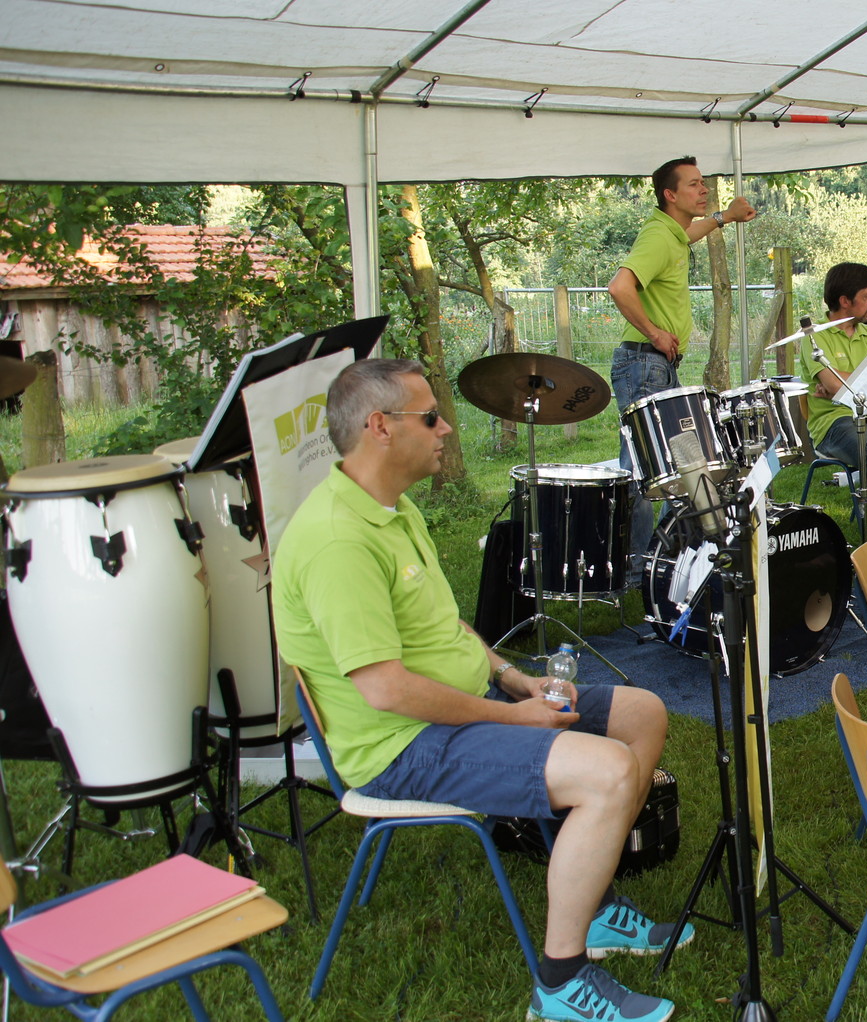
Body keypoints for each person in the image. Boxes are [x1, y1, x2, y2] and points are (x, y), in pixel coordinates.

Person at [273, 359, 688, 1022]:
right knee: (609, 773)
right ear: (380, 427)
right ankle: (559, 983)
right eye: (430, 417)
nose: (445, 430)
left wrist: (509, 674)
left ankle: (597, 906)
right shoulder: (336, 542)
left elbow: (441, 626)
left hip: (456, 711)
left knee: (642, 712)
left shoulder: (389, 507)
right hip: (401, 745)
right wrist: (518, 718)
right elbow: (386, 690)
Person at [608, 156, 758, 562]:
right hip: (644, 363)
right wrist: (655, 332)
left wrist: (725, 217)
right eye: (694, 185)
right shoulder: (657, 238)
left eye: (704, 182)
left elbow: (690, 233)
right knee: (644, 472)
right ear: (670, 195)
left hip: (654, 365)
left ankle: (663, 557)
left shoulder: (672, 232)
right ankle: (639, 568)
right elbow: (620, 287)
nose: (704, 189)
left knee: (675, 468)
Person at [797, 262, 867, 471]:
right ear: (845, 300)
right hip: (833, 423)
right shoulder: (814, 336)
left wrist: (843, 384)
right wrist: (862, 381)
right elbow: (835, 385)